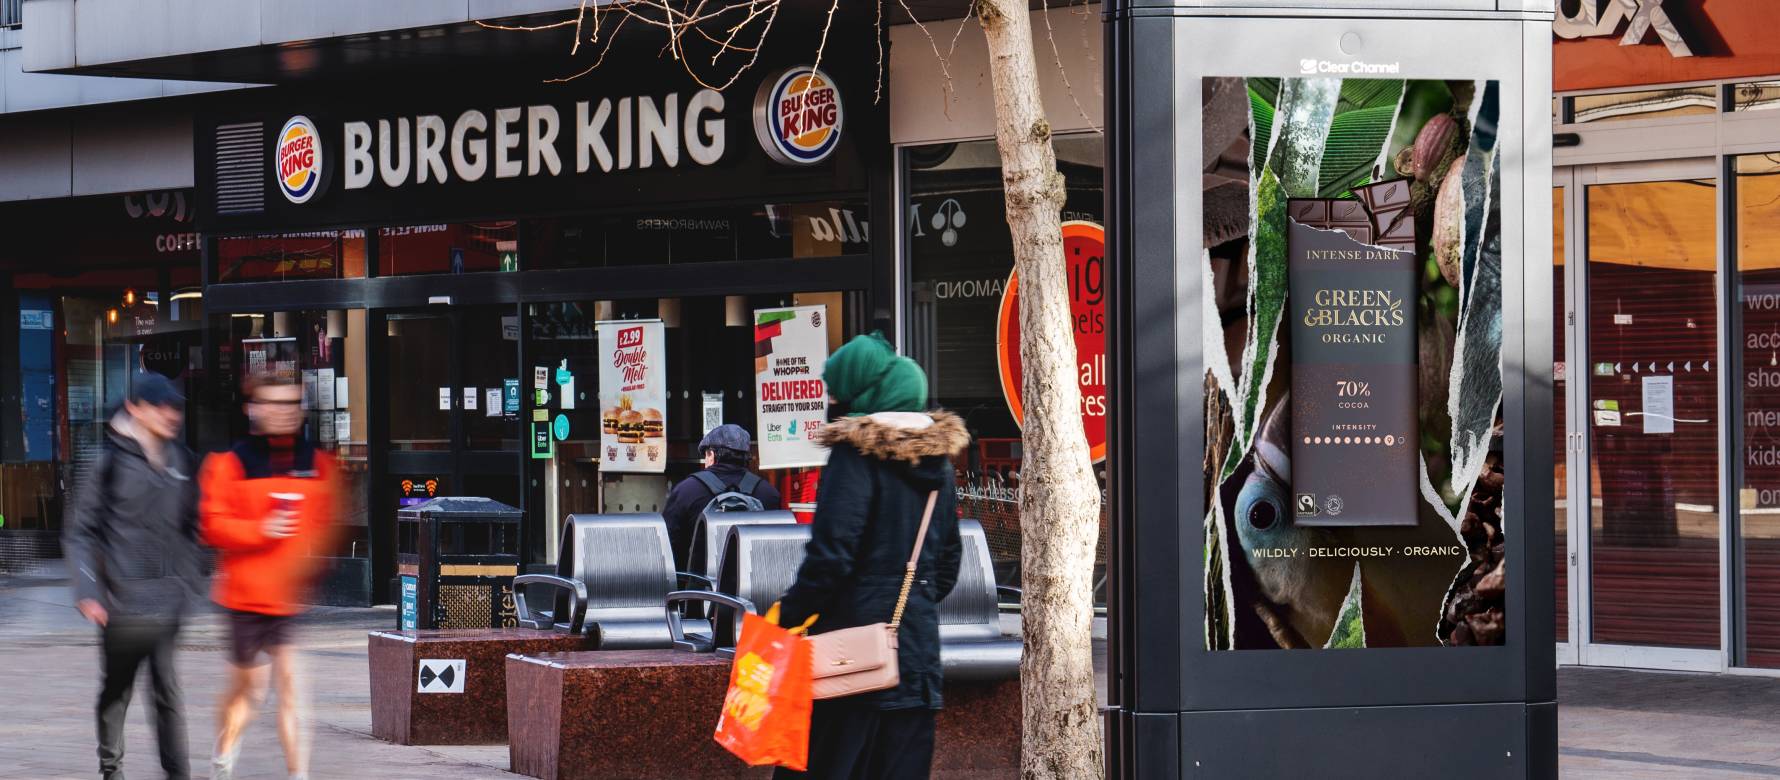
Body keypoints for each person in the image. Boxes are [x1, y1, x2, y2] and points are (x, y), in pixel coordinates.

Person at [774, 333, 967, 780]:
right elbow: (947, 565)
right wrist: (907, 605)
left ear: (863, 393)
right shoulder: (938, 464)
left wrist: (790, 615)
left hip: (848, 658)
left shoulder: (854, 457)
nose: (834, 402)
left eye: (839, 392)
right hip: (914, 659)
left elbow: (832, 557)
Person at [199, 370, 338, 780]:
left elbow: (323, 523)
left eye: (292, 404)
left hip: (287, 599)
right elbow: (212, 525)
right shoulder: (229, 464)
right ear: (252, 409)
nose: (284, 412)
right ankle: (224, 751)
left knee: (293, 686)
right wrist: (260, 531)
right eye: (274, 403)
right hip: (242, 598)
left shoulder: (317, 464)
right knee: (250, 692)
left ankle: (298, 774)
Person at [64, 372, 201, 780]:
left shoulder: (182, 461)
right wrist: (88, 590)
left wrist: (190, 582)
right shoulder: (106, 465)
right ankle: (112, 770)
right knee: (117, 692)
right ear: (135, 409)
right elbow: (80, 531)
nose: (170, 414)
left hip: (166, 601)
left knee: (167, 693)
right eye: (160, 406)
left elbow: (191, 527)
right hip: (121, 604)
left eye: (174, 406)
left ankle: (178, 774)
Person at [660, 423, 783, 570]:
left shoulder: (685, 491)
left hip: (700, 590)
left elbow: (667, 547)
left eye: (705, 455)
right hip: (753, 590)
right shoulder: (769, 493)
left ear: (711, 455)